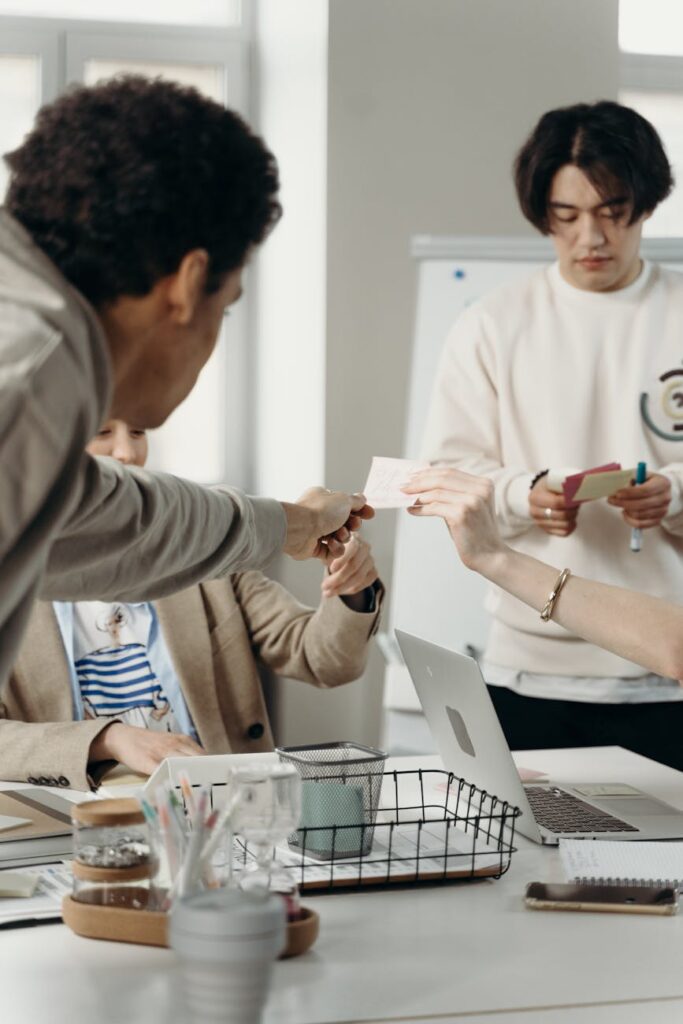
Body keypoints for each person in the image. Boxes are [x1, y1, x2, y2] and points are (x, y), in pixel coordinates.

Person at [0, 75, 371, 692]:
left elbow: (120, 522)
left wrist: (296, 524)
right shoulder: (30, 374)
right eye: (225, 306)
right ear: (189, 283)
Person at [420, 100, 683, 769]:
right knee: (534, 871)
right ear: (543, 215)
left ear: (646, 204)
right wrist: (520, 495)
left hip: (668, 668)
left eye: (610, 211)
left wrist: (672, 493)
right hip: (529, 673)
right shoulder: (491, 324)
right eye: (566, 217)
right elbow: (447, 470)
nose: (589, 236)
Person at [0, 420, 383, 790]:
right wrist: (107, 739)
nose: (128, 451)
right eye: (102, 432)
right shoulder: (11, 574)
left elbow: (324, 661)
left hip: (221, 808)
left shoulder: (205, 550)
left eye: (138, 431)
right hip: (77, 820)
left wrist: (350, 589)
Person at [403, 467, 683, 767]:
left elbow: (676, 650)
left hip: (655, 691)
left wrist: (496, 558)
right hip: (522, 678)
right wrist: (516, 506)